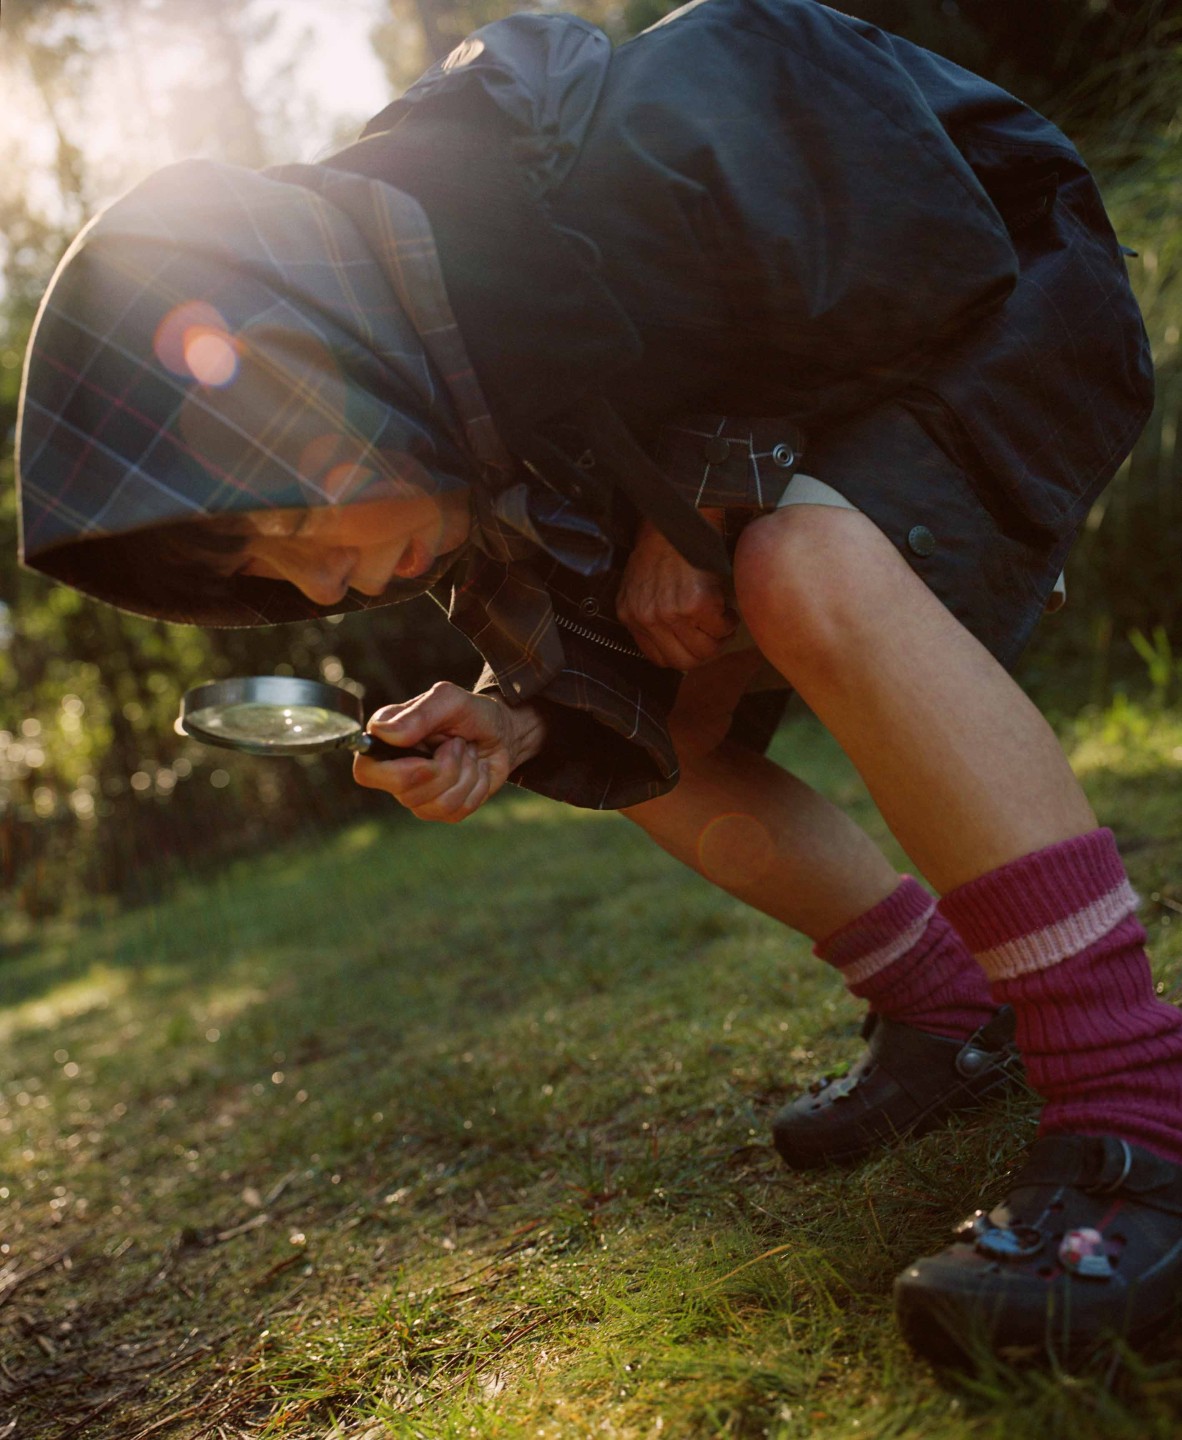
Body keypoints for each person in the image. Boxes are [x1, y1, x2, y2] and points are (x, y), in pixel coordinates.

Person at [15, 0, 1181, 1366]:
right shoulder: (457, 408)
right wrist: (512, 716)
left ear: (322, 369)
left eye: (289, 517)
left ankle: (1136, 1110)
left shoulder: (610, 160)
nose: (317, 587)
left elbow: (918, 231)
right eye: (273, 570)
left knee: (796, 570)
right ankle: (948, 1013)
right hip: (853, 398)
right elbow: (599, 663)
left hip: (1014, 286)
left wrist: (705, 496)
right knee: (628, 742)